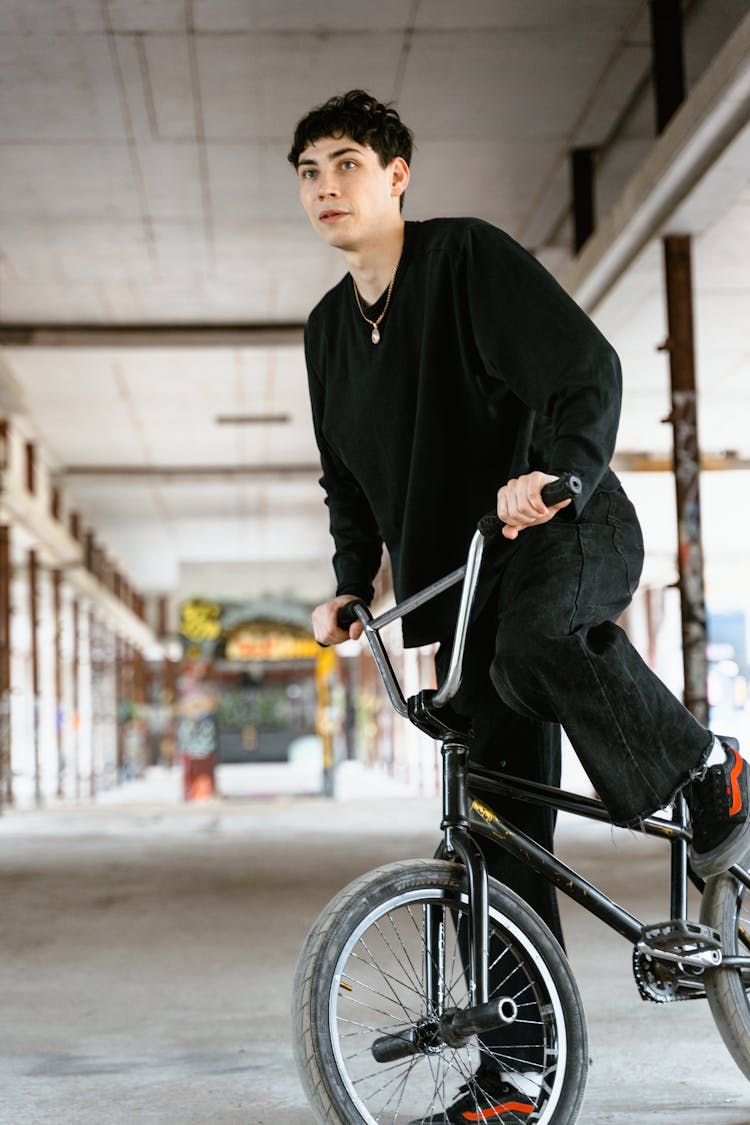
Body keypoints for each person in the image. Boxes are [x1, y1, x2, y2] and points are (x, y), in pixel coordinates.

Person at [288, 89, 749, 1122]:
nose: (326, 186)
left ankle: (706, 769)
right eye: (309, 171)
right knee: (493, 834)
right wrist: (350, 584)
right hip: (465, 586)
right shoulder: (326, 334)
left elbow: (585, 369)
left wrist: (557, 475)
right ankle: (517, 1073)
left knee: (536, 646)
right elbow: (348, 485)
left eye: (347, 164)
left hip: (565, 529)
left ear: (396, 176)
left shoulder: (464, 261)